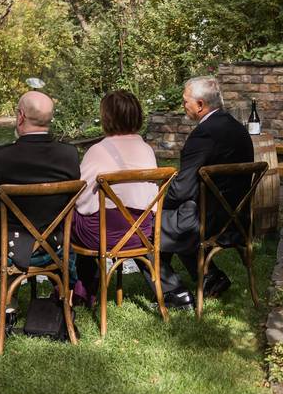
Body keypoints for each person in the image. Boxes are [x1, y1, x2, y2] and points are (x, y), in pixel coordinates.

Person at [0, 91, 80, 334]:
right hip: (55, 247)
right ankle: (8, 311)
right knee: (12, 234)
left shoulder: (1, 157)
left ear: (20, 117)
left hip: (11, 247)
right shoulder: (69, 155)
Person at [153, 75, 254, 310]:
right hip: (237, 218)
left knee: (147, 227)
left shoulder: (204, 134)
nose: (183, 105)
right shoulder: (237, 128)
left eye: (185, 101)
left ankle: (174, 293)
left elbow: (182, 189)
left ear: (200, 105)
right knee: (172, 220)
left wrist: (157, 205)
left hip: (208, 220)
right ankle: (210, 277)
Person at [71, 90, 159, 307]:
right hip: (142, 233)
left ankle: (80, 288)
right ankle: (84, 288)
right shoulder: (147, 149)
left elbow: (80, 197)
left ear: (106, 117)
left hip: (104, 236)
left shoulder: (98, 150)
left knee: (69, 216)